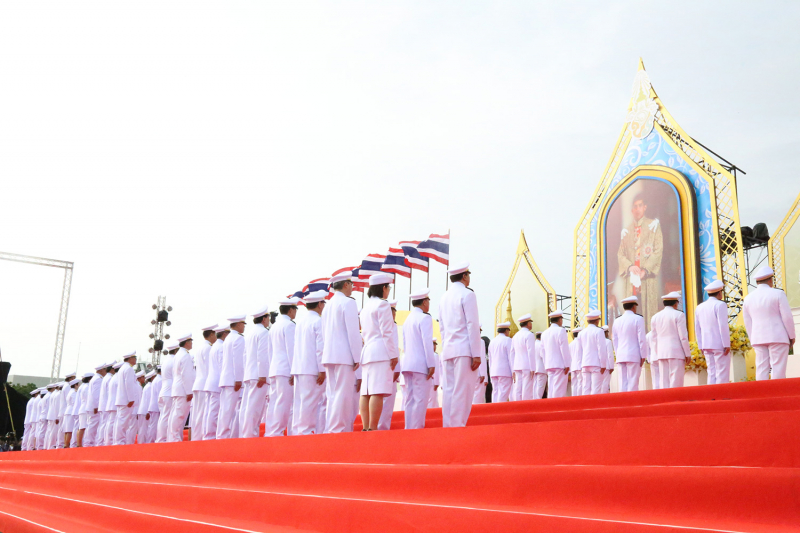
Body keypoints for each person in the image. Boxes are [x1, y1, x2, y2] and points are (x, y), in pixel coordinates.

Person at [437, 262, 482, 428]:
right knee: (463, 391)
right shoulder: (468, 294)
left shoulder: (444, 297)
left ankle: (448, 426)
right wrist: (476, 353)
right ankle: (457, 426)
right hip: (464, 349)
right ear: (464, 276)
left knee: (449, 391)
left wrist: (445, 347)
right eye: (468, 275)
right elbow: (472, 325)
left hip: (448, 349)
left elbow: (442, 327)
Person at [321, 272, 362, 433]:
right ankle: (339, 430)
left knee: (332, 394)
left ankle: (332, 429)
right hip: (344, 355)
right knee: (343, 395)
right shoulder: (348, 302)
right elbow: (353, 332)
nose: (352, 287)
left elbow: (324, 332)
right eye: (351, 284)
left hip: (329, 354)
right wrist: (357, 356)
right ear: (345, 284)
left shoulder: (328, 305)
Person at [358, 273, 398, 431]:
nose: (388, 291)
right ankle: (373, 427)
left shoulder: (365, 307)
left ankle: (366, 426)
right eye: (388, 288)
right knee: (377, 391)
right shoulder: (382, 305)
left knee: (366, 392)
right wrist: (393, 355)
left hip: (368, 351)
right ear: (383, 288)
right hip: (380, 351)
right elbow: (386, 333)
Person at [617, 194, 663, 327]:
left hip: (647, 279)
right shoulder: (627, 231)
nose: (637, 209)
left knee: (648, 315)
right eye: (635, 207)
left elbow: (658, 249)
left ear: (645, 207)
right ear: (632, 210)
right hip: (631, 282)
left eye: (640, 206)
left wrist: (645, 270)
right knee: (632, 314)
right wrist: (630, 266)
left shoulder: (653, 226)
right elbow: (620, 254)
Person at [743, 266, 796, 380]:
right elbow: (787, 317)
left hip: (758, 338)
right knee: (778, 368)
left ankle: (761, 391)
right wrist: (791, 335)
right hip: (778, 336)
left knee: (761, 368)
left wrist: (753, 339)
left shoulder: (748, 298)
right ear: (770, 280)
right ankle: (777, 390)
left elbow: (748, 322)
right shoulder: (778, 294)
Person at [292, 291, 328, 435]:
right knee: (310, 402)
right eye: (323, 303)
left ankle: (298, 431)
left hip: (300, 367)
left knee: (300, 402)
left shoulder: (300, 322)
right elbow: (320, 348)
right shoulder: (318, 321)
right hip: (311, 368)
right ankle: (305, 432)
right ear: (319, 304)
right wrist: (322, 369)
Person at [402, 289, 437, 429]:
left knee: (410, 398)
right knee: (420, 399)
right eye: (428, 300)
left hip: (408, 363)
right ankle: (417, 429)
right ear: (424, 302)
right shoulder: (425, 318)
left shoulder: (407, 319)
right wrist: (431, 364)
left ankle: (409, 428)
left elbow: (405, 344)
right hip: (420, 364)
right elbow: (427, 343)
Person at [265, 298, 299, 437]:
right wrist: (293, 370)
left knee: (274, 402)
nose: (295, 312)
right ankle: (278, 432)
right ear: (290, 310)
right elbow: (291, 350)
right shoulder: (289, 325)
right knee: (284, 403)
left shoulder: (274, 326)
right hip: (285, 369)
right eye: (295, 309)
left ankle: (271, 431)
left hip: (275, 368)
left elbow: (270, 351)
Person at [650, 292, 692, 389]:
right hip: (675, 352)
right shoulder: (679, 315)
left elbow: (654, 338)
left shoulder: (655, 317)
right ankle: (675, 397)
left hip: (661, 352)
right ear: (676, 303)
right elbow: (683, 337)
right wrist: (687, 353)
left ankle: (665, 398)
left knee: (664, 380)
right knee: (676, 380)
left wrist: (657, 352)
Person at [240, 307, 270, 439]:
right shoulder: (263, 332)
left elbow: (245, 355)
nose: (269, 320)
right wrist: (262, 375)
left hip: (250, 373)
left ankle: (247, 433)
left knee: (247, 406)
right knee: (255, 407)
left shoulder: (250, 333)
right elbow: (262, 356)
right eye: (268, 318)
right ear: (264, 319)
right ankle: (250, 434)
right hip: (258, 375)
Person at [695, 280, 731, 384]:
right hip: (719, 344)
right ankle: (721, 392)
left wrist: (700, 345)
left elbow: (697, 328)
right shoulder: (720, 305)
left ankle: (711, 393)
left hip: (706, 344)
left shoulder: (699, 307)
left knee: (711, 372)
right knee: (722, 372)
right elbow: (723, 326)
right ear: (719, 293)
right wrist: (726, 344)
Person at [217, 316, 246, 439]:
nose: (244, 327)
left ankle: (222, 434)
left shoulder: (228, 338)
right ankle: (223, 436)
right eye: (243, 324)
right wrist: (238, 379)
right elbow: (238, 360)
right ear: (238, 324)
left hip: (226, 378)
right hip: (233, 379)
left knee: (225, 409)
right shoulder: (238, 338)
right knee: (229, 410)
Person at [612, 295, 648, 392]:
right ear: (634, 307)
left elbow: (615, 340)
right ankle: (632, 400)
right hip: (633, 354)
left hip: (621, 355)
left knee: (622, 383)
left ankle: (622, 401)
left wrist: (618, 353)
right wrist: (643, 355)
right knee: (633, 382)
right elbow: (641, 339)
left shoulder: (617, 321)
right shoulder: (638, 319)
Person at [191, 323, 218, 442]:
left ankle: (196, 438)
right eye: (215, 334)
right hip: (205, 384)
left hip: (199, 383)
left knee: (197, 414)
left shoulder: (201, 347)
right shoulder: (208, 348)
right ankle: (200, 439)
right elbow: (209, 368)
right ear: (211, 334)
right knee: (203, 413)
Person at [378, 300, 402, 431]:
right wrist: (397, 368)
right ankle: (382, 428)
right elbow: (394, 347)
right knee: (387, 400)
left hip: (378, 364)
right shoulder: (391, 325)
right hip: (389, 365)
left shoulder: (377, 323)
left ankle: (376, 426)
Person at [204, 325, 228, 439]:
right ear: (224, 334)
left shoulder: (214, 346)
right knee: (214, 411)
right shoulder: (221, 347)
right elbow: (222, 366)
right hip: (217, 382)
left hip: (211, 381)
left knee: (209, 411)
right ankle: (210, 435)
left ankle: (208, 434)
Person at [170, 335, 195, 442]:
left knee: (177, 414)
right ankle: (174, 437)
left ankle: (174, 437)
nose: (192, 343)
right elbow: (186, 375)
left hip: (178, 388)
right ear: (186, 342)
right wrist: (189, 391)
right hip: (183, 389)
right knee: (179, 415)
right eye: (191, 341)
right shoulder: (185, 355)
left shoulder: (178, 354)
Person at [541, 310, 571, 398]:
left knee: (551, 388)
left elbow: (542, 351)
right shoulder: (561, 331)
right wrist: (567, 364)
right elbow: (564, 349)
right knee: (559, 389)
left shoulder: (544, 333)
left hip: (549, 364)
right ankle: (558, 405)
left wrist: (545, 364)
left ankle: (551, 405)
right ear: (560, 320)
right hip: (560, 364)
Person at [114, 351, 139, 445]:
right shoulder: (129, 369)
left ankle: (118, 441)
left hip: (122, 399)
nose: (136, 360)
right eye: (135, 358)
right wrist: (131, 399)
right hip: (126, 400)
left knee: (121, 421)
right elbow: (128, 384)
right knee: (123, 422)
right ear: (130, 359)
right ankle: (119, 441)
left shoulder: (123, 368)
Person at [580, 310, 606, 395]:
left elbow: (580, 350)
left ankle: (585, 403)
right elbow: (601, 349)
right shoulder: (599, 331)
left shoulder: (581, 333)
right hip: (596, 363)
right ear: (597, 321)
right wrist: (603, 364)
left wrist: (580, 363)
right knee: (596, 389)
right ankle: (594, 403)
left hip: (585, 363)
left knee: (585, 388)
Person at [511, 314, 535, 401]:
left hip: (517, 365)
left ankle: (517, 404)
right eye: (530, 323)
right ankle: (526, 405)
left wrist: (513, 368)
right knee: (527, 388)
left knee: (518, 388)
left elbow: (512, 353)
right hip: (527, 365)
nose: (531, 325)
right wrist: (532, 367)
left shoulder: (515, 336)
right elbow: (531, 352)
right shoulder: (529, 335)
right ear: (528, 324)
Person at [488, 322, 513, 402]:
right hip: (505, 371)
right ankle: (500, 408)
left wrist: (490, 371)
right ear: (506, 331)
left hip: (494, 371)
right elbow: (511, 357)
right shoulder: (508, 340)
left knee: (495, 392)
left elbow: (490, 358)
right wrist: (513, 371)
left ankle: (494, 408)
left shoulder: (492, 341)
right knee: (503, 392)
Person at [85, 364, 106, 447]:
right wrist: (96, 406)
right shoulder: (98, 379)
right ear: (100, 370)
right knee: (93, 426)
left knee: (92, 425)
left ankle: (89, 442)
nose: (105, 371)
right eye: (104, 369)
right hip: (94, 407)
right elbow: (96, 395)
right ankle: (89, 443)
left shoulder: (95, 378)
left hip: (91, 406)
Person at [102, 362, 121, 446]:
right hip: (114, 403)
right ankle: (109, 441)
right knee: (112, 423)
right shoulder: (113, 378)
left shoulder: (109, 377)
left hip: (110, 402)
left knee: (109, 422)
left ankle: (108, 441)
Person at [76, 372, 93, 447]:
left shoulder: (82, 386)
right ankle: (79, 444)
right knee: (83, 427)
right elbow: (88, 398)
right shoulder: (87, 387)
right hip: (85, 408)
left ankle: (79, 443)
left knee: (81, 427)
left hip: (82, 407)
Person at [138, 371, 155, 444]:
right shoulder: (149, 387)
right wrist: (148, 412)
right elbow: (148, 400)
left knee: (143, 429)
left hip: (143, 410)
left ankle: (142, 443)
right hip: (145, 411)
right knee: (144, 429)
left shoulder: (148, 386)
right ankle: (142, 444)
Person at [128, 371, 145, 444]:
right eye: (143, 377)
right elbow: (138, 400)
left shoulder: (137, 385)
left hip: (134, 409)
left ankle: (129, 442)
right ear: (140, 378)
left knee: (132, 427)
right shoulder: (138, 386)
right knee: (133, 428)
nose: (144, 379)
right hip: (135, 409)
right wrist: (138, 411)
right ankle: (129, 443)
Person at [147, 366, 162, 443]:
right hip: (156, 406)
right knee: (154, 426)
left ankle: (150, 441)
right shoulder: (160, 380)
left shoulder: (156, 379)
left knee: (152, 425)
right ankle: (151, 441)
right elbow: (160, 394)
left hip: (154, 406)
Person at [63, 379, 80, 448]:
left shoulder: (70, 392)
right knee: (70, 430)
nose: (79, 386)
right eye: (78, 384)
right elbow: (75, 403)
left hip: (68, 411)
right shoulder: (74, 392)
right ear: (75, 385)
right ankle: (67, 444)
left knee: (67, 430)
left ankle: (66, 444)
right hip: (71, 411)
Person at [532, 332, 547, 399]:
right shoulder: (541, 345)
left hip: (534, 368)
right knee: (540, 386)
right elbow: (543, 355)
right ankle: (538, 400)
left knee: (535, 386)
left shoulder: (533, 344)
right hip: (541, 368)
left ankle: (534, 400)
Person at [428, 339, 442, 408]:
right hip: (432, 381)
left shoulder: (425, 354)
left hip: (426, 380)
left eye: (435, 345)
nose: (434, 347)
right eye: (433, 345)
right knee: (432, 399)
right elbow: (436, 370)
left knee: (429, 399)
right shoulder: (435, 355)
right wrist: (436, 383)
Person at [569, 328, 582, 396]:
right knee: (580, 383)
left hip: (573, 366)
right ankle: (579, 398)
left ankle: (574, 397)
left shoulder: (570, 344)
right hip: (580, 366)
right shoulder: (581, 343)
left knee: (574, 384)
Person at [602, 326, 614, 394]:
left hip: (599, 366)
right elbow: (610, 355)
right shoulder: (608, 342)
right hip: (606, 366)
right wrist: (611, 366)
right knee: (605, 383)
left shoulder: (597, 341)